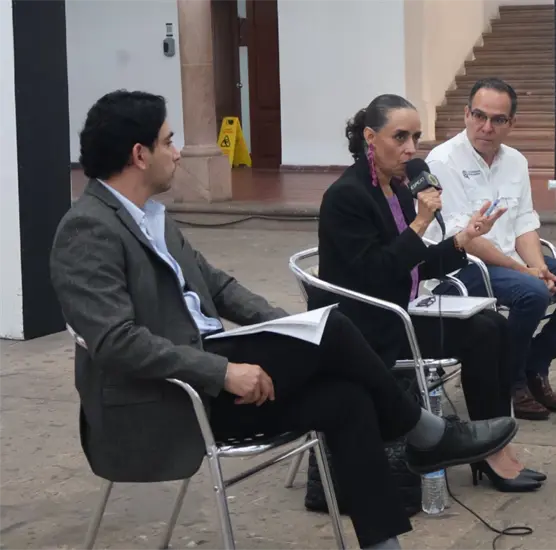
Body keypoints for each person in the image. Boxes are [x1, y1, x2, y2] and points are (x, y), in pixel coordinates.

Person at [49, 90, 519, 550]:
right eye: (169, 141)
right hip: (173, 397)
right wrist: (224, 371)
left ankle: (385, 540)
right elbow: (116, 341)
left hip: (215, 371)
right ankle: (425, 433)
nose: (177, 153)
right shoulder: (89, 229)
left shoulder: (153, 216)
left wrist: (290, 331)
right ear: (138, 154)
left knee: (347, 397)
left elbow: (220, 288)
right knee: (335, 328)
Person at [314, 93, 544, 492]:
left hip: (400, 311)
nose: (409, 149)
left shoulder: (398, 189)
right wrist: (420, 223)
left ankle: (491, 444)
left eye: (416, 138)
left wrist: (464, 238)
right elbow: (377, 274)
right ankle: (486, 452)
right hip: (366, 327)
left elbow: (419, 264)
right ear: (370, 136)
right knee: (483, 333)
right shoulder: (346, 197)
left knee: (491, 325)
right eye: (399, 137)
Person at [423, 78, 556, 421]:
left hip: (513, 263)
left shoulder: (516, 162)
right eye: (479, 115)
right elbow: (469, 238)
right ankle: (510, 380)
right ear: (465, 114)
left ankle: (534, 364)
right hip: (462, 268)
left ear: (512, 123)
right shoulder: (442, 161)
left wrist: (539, 267)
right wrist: (528, 273)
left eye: (498, 119)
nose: (486, 127)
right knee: (533, 293)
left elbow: (524, 223)